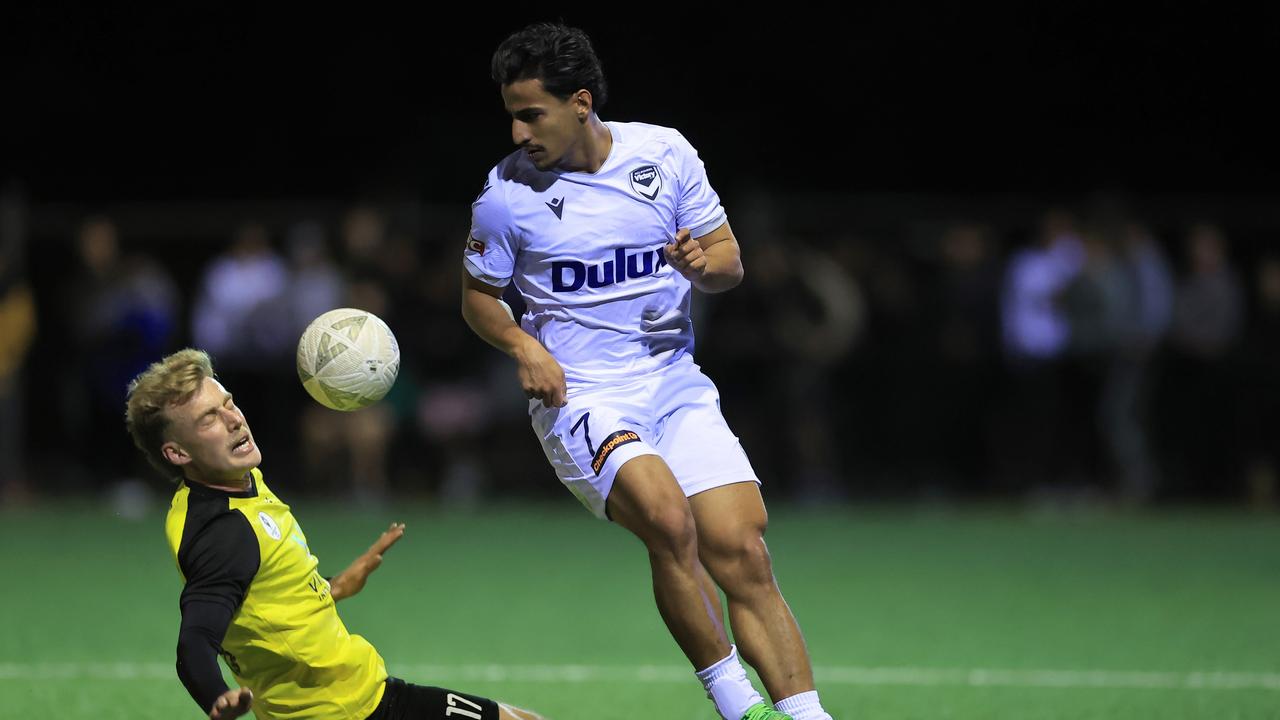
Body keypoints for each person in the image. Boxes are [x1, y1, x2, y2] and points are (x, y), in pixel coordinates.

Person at [460, 22, 833, 720]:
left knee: (742, 546)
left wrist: (702, 266)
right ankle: (738, 708)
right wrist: (524, 347)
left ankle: (808, 717)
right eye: (510, 113)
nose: (517, 133)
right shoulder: (506, 194)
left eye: (530, 113)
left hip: (672, 381)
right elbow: (479, 299)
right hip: (582, 397)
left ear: (580, 102)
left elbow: (729, 263)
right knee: (669, 521)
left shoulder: (664, 154)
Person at [124, 349, 544, 720]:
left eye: (228, 403)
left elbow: (264, 605)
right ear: (178, 453)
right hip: (346, 710)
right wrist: (217, 698)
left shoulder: (231, 481)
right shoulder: (224, 534)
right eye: (209, 419)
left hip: (359, 696)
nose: (234, 420)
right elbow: (194, 642)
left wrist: (334, 587)